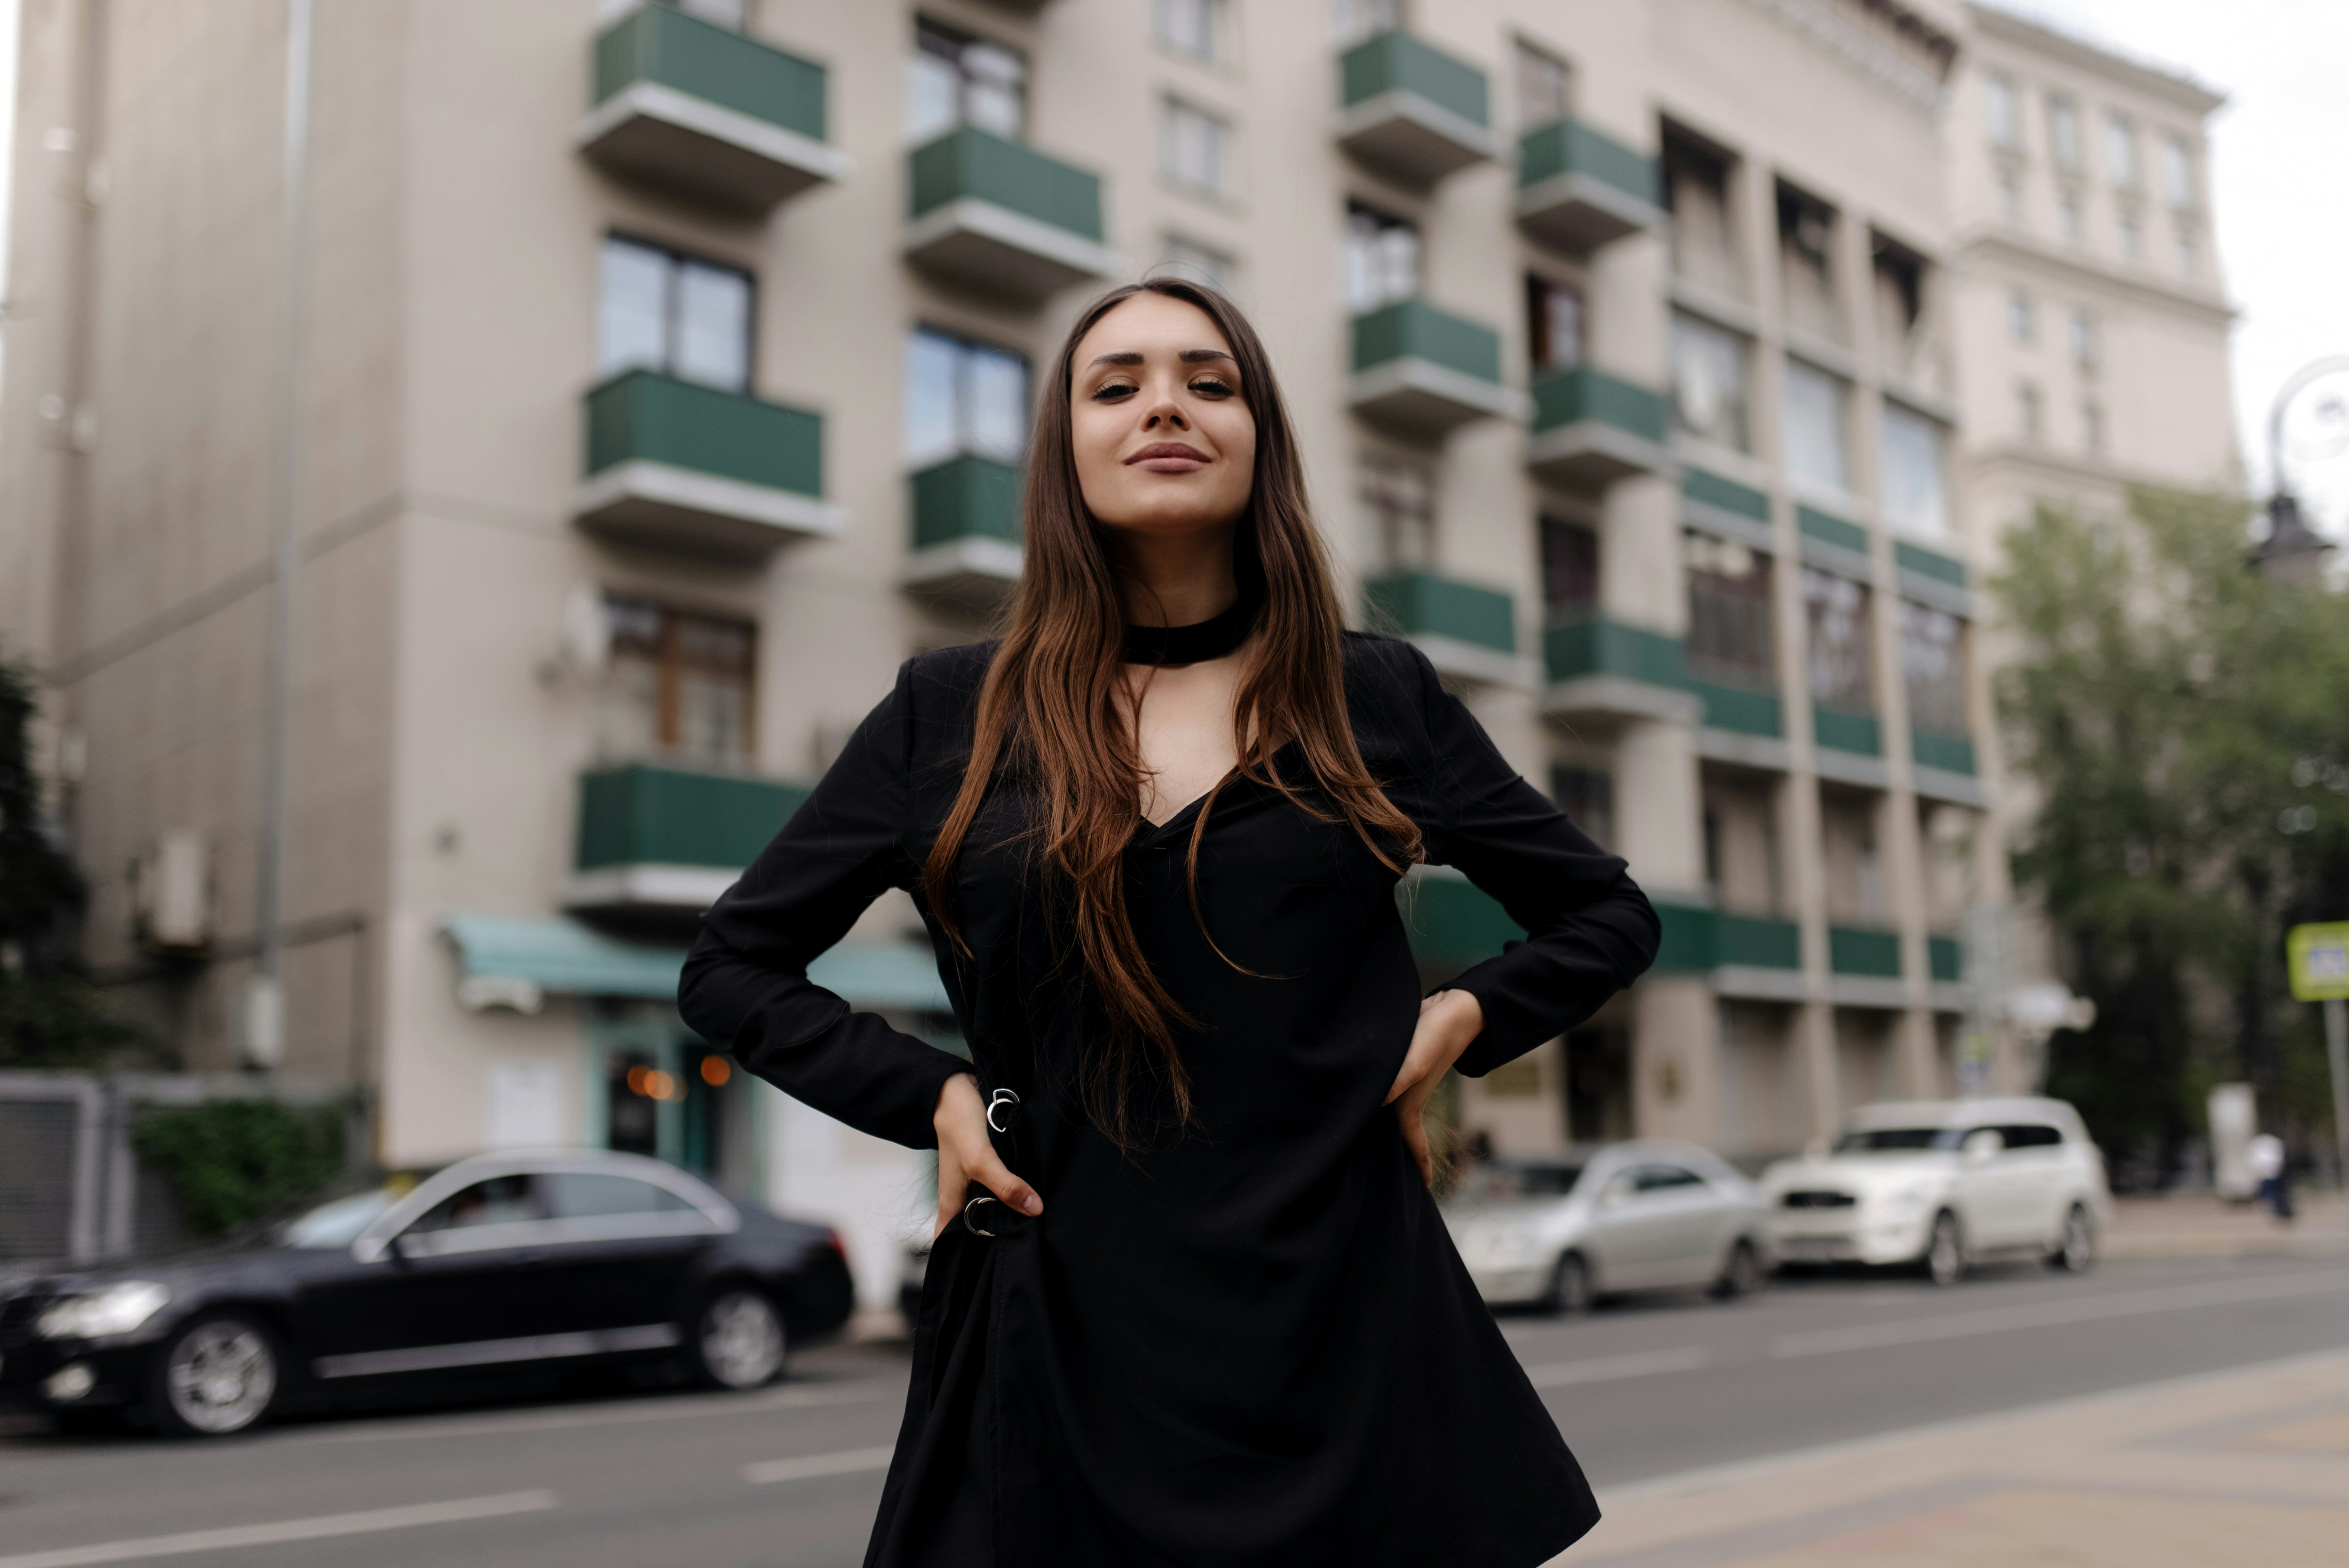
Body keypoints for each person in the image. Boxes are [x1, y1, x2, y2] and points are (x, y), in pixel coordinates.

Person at [679, 279, 1660, 1567]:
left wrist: (1458, 1018)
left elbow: (1607, 911)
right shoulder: (948, 714)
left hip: (1346, 1329)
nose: (1165, 406)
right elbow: (731, 965)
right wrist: (933, 1094)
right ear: (1066, 447)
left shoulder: (1376, 696)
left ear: (1260, 437)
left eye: (1210, 380)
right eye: (1117, 383)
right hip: (1056, 1334)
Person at [2247, 1131, 2293, 1221]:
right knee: (2273, 1192)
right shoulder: (2273, 1142)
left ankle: (2277, 1209)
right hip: (2272, 1171)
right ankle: (2277, 1209)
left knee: (2271, 1192)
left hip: (2269, 1171)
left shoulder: (2260, 1143)